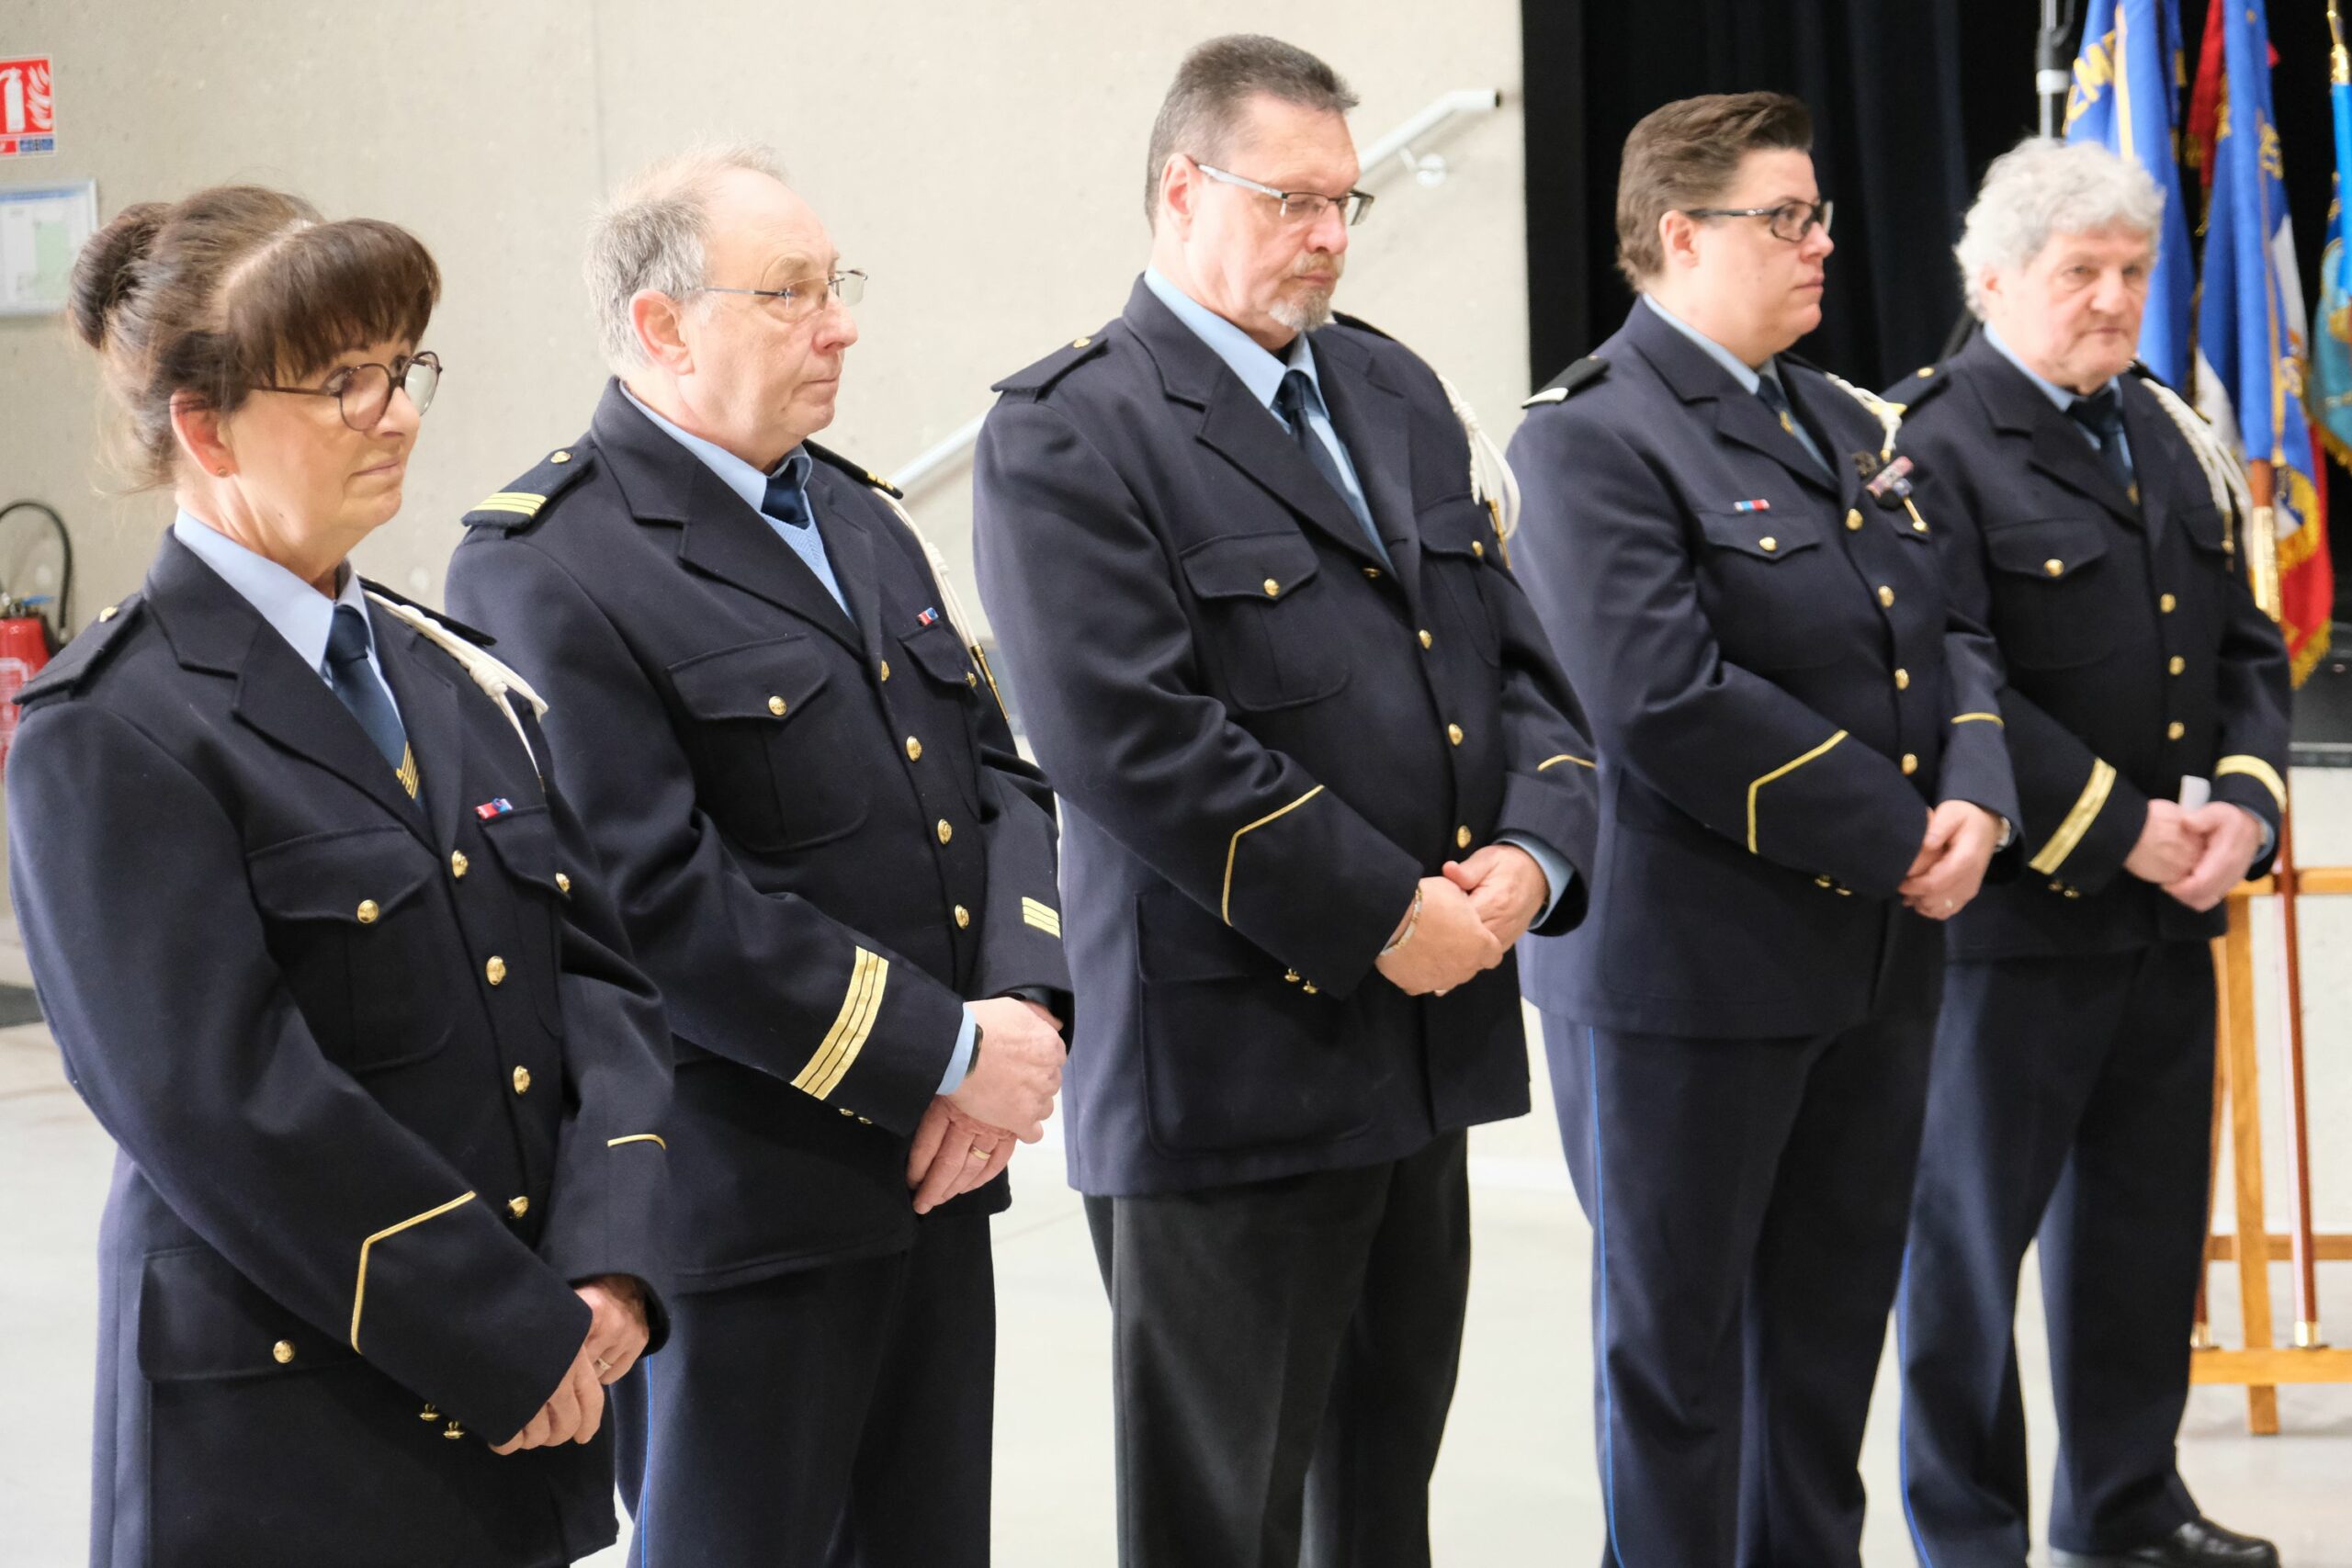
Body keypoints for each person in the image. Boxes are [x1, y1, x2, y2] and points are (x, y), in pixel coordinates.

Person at [972, 35, 1600, 1568]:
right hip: (1228, 1070)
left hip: (1421, 1046)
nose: (1328, 234)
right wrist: (1389, 912)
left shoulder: (1393, 387)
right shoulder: (1070, 429)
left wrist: (1533, 855)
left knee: (1383, 1495)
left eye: (1345, 202)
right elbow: (1130, 742)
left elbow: (1519, 667)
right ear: (1182, 192)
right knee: (1222, 1519)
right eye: (1292, 200)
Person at [11, 186, 670, 1568]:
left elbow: (597, 983)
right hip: (294, 1439)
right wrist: (506, 1327)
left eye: (400, 368)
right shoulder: (114, 729)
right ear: (205, 428)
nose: (396, 415)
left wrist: (609, 1257)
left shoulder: (448, 675)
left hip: (524, 1403)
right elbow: (224, 1104)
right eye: (340, 383)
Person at [443, 145, 1070, 1568]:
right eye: (790, 294)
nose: (838, 326)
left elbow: (996, 777)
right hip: (743, 1207)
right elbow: (650, 895)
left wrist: (1021, 1014)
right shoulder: (547, 564)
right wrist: (946, 1052)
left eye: (835, 287)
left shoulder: (854, 513)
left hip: (934, 1176)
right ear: (662, 326)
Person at [1505, 93, 2019, 1567]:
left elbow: (1951, 628)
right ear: (1680, 234)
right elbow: (1659, 700)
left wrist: (1978, 790)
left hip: (1869, 963)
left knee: (1825, 1343)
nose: (1821, 246)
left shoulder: (1845, 420)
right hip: (1690, 975)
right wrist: (1898, 831)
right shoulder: (1591, 439)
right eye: (1785, 219)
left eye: (1820, 218)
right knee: (1680, 1362)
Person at [1887, 138, 2290, 1568]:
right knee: (1964, 1257)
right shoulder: (1927, 442)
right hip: (2013, 923)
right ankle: (1970, 1534)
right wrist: (2124, 828)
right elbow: (1951, 678)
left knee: (2141, 1235)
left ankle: (2125, 1508)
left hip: (2169, 915)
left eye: (2131, 270)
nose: (2115, 299)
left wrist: (2243, 805)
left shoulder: (2168, 426)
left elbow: (2244, 646)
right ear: (1993, 281)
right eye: (2081, 273)